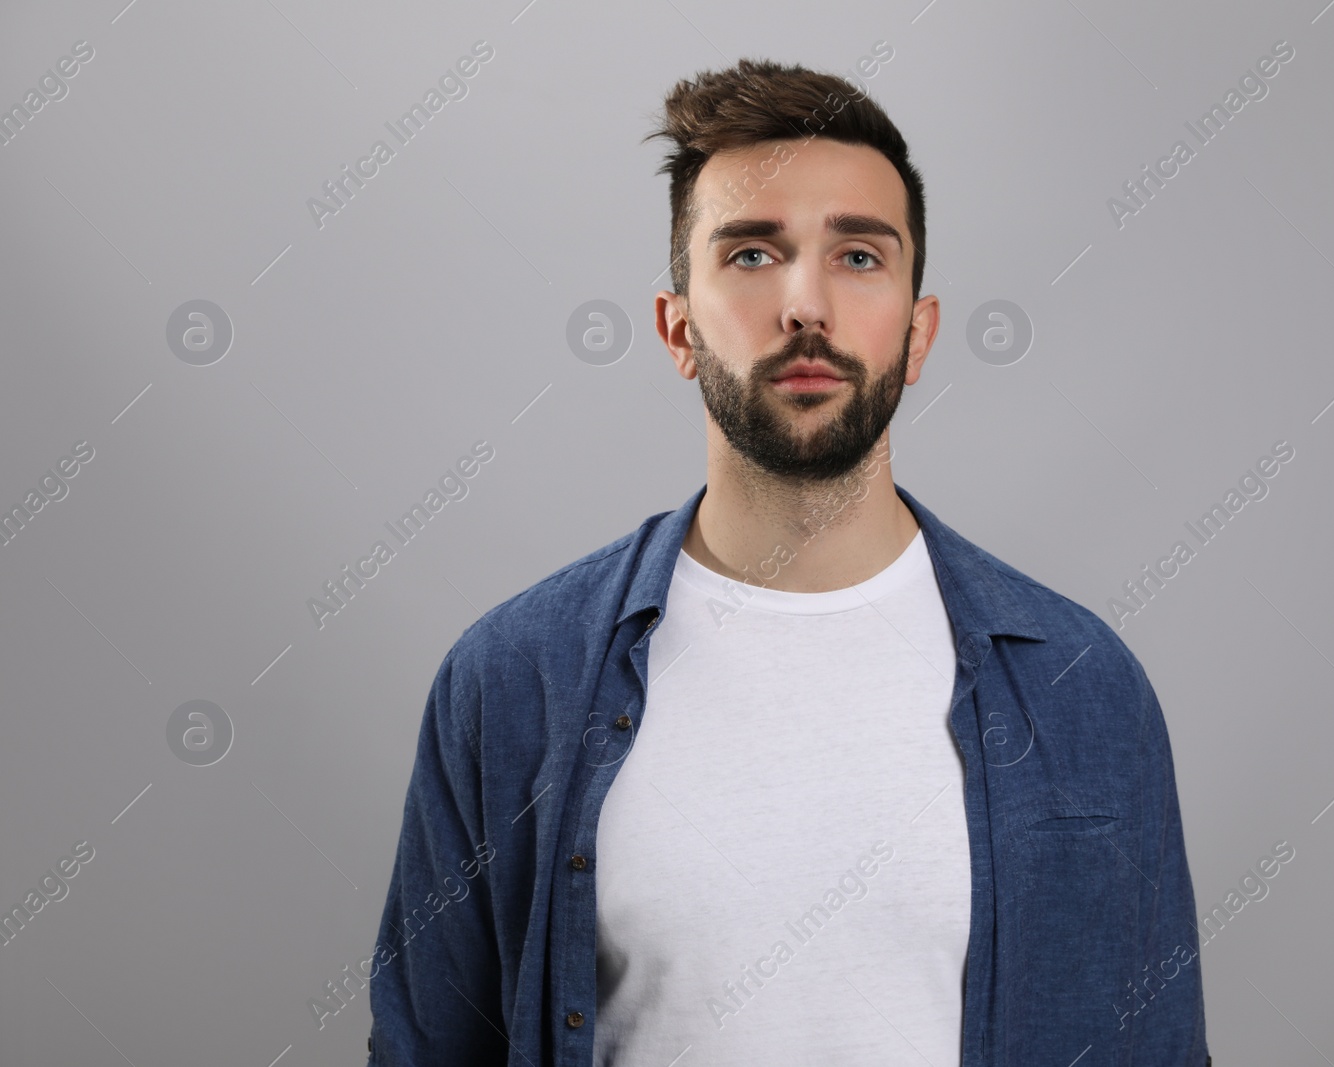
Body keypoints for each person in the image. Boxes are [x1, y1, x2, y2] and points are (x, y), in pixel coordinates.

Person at [367, 57, 1210, 1066]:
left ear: (917, 329)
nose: (805, 304)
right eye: (753, 255)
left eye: (858, 257)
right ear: (678, 327)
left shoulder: (1083, 685)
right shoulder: (512, 680)